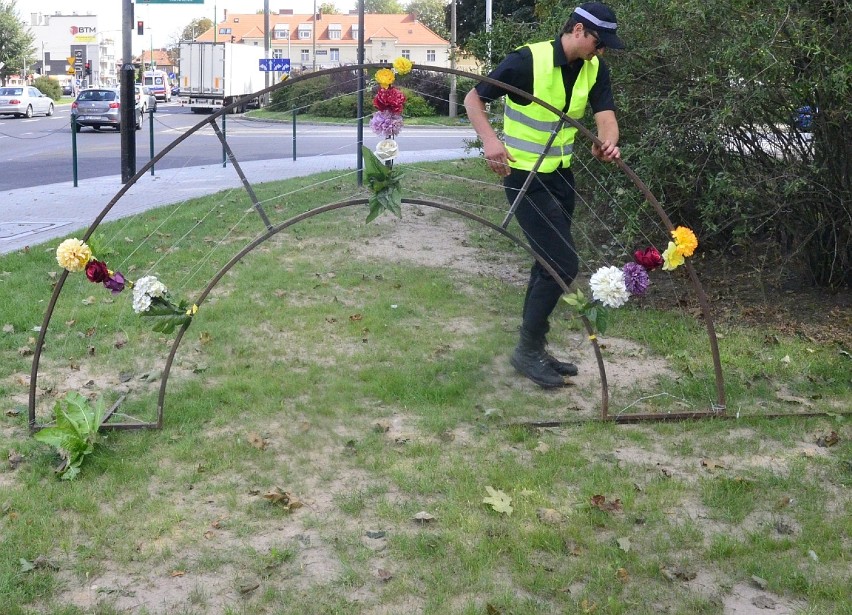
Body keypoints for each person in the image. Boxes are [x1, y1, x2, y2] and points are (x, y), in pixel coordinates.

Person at [463, 2, 625, 389]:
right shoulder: (527, 60)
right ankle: (526, 351)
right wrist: (490, 141)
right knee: (563, 262)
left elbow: (606, 117)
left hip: (559, 178)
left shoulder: (594, 68)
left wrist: (607, 144)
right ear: (580, 31)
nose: (600, 52)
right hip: (523, 177)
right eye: (599, 43)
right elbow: (474, 99)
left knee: (546, 263)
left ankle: (532, 348)